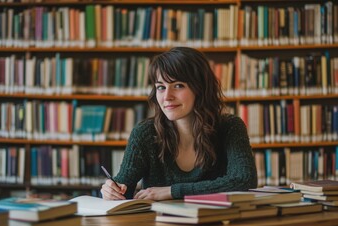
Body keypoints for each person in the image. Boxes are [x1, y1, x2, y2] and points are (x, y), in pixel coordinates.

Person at [101, 47, 257, 200]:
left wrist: (173, 191)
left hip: (215, 224)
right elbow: (123, 189)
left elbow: (243, 180)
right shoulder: (145, 133)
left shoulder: (230, 127)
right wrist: (112, 191)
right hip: (160, 225)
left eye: (178, 86)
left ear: (200, 88)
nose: (167, 96)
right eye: (161, 87)